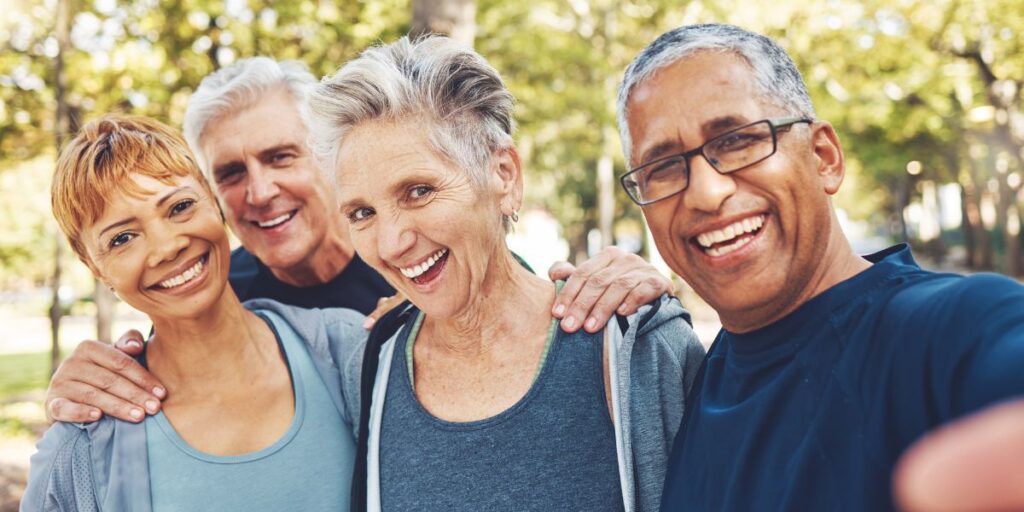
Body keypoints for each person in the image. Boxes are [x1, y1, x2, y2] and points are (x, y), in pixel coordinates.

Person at [44, 57, 676, 425]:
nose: (260, 192)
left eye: (280, 156)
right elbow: (153, 376)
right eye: (230, 174)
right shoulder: (218, 296)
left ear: (325, 160)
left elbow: (538, 309)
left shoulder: (435, 256)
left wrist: (624, 279)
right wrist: (87, 377)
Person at [614, 23, 1024, 511]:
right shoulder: (693, 378)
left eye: (738, 140)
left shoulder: (954, 327)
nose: (706, 193)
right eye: (662, 168)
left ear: (823, 157)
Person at [304, 36, 706, 511]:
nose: (392, 243)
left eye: (418, 191)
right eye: (362, 213)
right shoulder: (370, 368)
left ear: (503, 175)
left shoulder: (638, 348)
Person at [22, 114, 365, 511]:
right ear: (96, 269)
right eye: (122, 238)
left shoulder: (348, 351)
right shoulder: (80, 449)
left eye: (180, 206)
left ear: (213, 202)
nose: (167, 246)